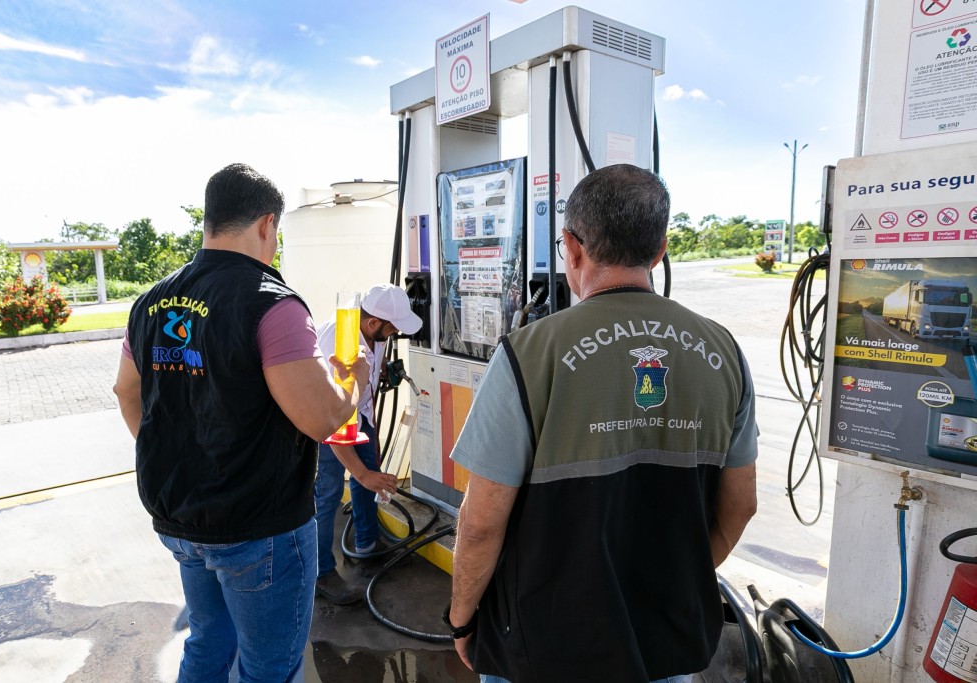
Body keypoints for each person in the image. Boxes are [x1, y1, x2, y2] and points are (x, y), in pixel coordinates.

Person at [445, 164, 759, 683]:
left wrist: (461, 619)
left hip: (543, 646)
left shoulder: (527, 353)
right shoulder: (724, 351)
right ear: (659, 251)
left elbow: (480, 524)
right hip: (667, 643)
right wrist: (679, 584)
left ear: (572, 248)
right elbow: (741, 505)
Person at [113, 162, 368, 683]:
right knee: (269, 668)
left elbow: (126, 391)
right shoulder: (270, 302)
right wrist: (354, 378)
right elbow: (321, 417)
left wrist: (175, 458)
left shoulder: (150, 302)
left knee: (208, 642)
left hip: (180, 518)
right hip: (258, 527)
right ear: (267, 224)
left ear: (210, 220)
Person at [313, 283, 422, 604]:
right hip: (331, 423)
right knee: (328, 493)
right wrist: (361, 473)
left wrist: (379, 371)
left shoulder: (369, 330)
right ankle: (320, 573)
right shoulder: (342, 346)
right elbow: (333, 421)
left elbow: (369, 369)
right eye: (392, 328)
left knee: (369, 478)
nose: (395, 334)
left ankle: (367, 545)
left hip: (359, 414)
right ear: (373, 322)